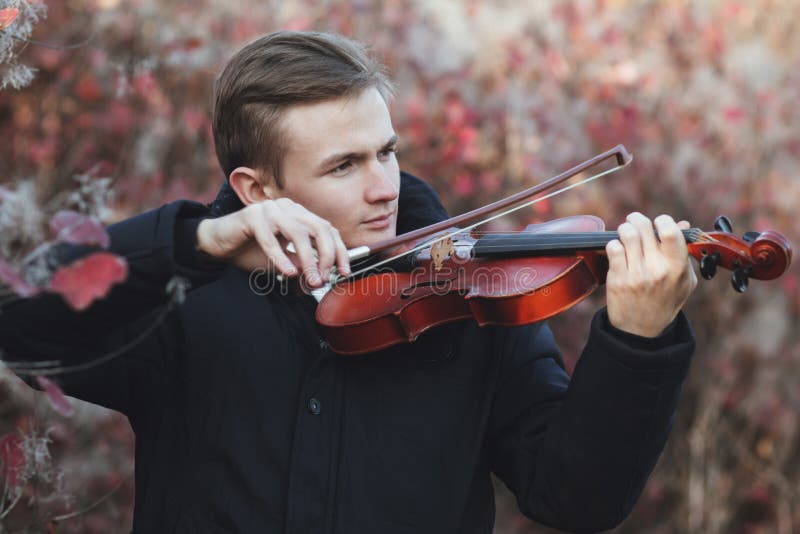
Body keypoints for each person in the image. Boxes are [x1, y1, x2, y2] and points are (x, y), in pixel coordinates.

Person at [0, 31, 697, 533]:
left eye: (386, 152)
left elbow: (575, 496)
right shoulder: (181, 304)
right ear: (257, 187)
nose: (382, 189)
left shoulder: (467, 299)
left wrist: (636, 342)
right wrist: (194, 243)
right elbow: (21, 325)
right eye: (344, 166)